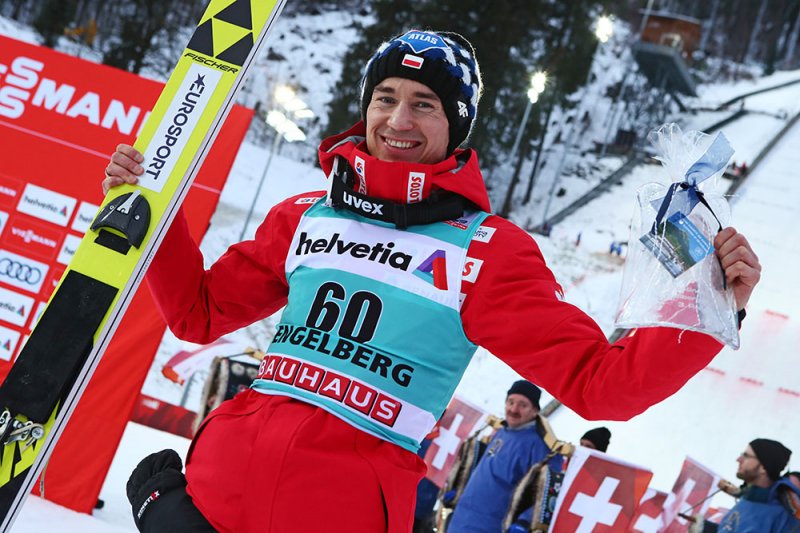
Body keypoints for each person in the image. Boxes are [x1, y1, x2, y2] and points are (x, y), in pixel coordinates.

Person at [105, 29, 761, 533]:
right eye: (385, 98)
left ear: (456, 126)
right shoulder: (305, 214)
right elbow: (197, 312)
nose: (398, 120)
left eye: (424, 105)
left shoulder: (487, 250)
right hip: (219, 489)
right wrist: (149, 212)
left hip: (337, 509)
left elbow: (602, 384)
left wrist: (710, 304)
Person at [446, 381, 562, 532]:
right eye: (511, 402)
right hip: (460, 521)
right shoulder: (501, 432)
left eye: (523, 405)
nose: (514, 409)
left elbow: (549, 493)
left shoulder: (542, 447)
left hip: (491, 527)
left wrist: (525, 522)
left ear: (535, 411)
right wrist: (459, 490)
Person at [701, 439, 800, 532]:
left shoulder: (779, 514)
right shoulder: (748, 500)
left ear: (763, 468)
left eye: (746, 456)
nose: (738, 459)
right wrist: (702, 528)